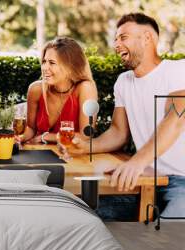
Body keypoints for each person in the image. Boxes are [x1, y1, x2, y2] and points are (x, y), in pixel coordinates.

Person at [62, 13, 185, 217]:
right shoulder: (123, 82)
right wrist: (85, 147)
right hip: (144, 178)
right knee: (85, 214)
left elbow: (176, 119)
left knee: (169, 238)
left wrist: (137, 161)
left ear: (147, 37)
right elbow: (118, 133)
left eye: (123, 37)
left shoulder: (178, 70)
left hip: (181, 181)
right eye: (116, 39)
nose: (117, 44)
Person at [17, 37, 98, 145]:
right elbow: (31, 129)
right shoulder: (36, 90)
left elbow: (86, 136)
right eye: (44, 61)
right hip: (38, 155)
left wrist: (46, 137)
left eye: (52, 62)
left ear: (70, 66)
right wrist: (20, 138)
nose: (45, 67)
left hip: (71, 157)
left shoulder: (85, 88)